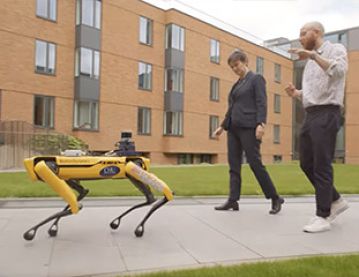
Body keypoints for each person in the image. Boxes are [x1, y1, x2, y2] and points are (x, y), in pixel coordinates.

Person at [285, 22, 349, 233]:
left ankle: (323, 215)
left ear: (317, 32)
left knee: (322, 164)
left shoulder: (335, 49)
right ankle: (336, 200)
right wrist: (297, 93)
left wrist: (313, 56)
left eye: (304, 33)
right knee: (306, 163)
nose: (301, 37)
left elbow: (339, 71)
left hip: (328, 112)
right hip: (311, 114)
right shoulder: (310, 60)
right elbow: (314, 91)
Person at [213, 49, 284, 214]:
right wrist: (222, 126)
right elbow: (232, 108)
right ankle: (232, 200)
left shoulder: (256, 79)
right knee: (234, 166)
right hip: (233, 129)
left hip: (249, 128)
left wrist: (261, 123)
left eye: (237, 65)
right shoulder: (237, 85)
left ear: (245, 62)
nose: (235, 69)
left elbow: (262, 102)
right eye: (232, 67)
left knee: (254, 163)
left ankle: (274, 197)